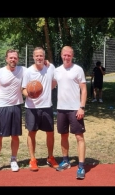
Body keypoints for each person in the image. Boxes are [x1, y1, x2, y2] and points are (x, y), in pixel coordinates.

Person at [52, 46, 87, 180]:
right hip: (61, 109)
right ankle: (66, 160)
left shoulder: (78, 69)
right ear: (61, 55)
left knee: (79, 137)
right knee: (63, 136)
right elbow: (51, 85)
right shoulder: (57, 71)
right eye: (64, 55)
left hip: (75, 109)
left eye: (69, 55)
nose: (66, 57)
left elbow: (83, 90)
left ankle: (81, 166)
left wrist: (81, 107)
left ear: (72, 56)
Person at [0, 49, 26, 175]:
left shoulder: (22, 70)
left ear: (18, 59)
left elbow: (36, 68)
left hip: (16, 107)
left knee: (14, 136)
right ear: (6, 59)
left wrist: (46, 62)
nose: (13, 60)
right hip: (2, 107)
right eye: (10, 58)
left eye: (15, 58)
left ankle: (13, 159)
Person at [22, 47, 59, 171]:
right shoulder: (28, 72)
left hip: (47, 106)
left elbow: (55, 81)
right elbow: (23, 89)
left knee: (50, 133)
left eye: (41, 56)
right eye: (37, 56)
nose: (39, 58)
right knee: (32, 133)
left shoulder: (50, 67)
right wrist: (30, 94)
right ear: (33, 57)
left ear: (44, 57)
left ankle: (50, 157)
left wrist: (49, 88)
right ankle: (32, 159)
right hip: (32, 107)